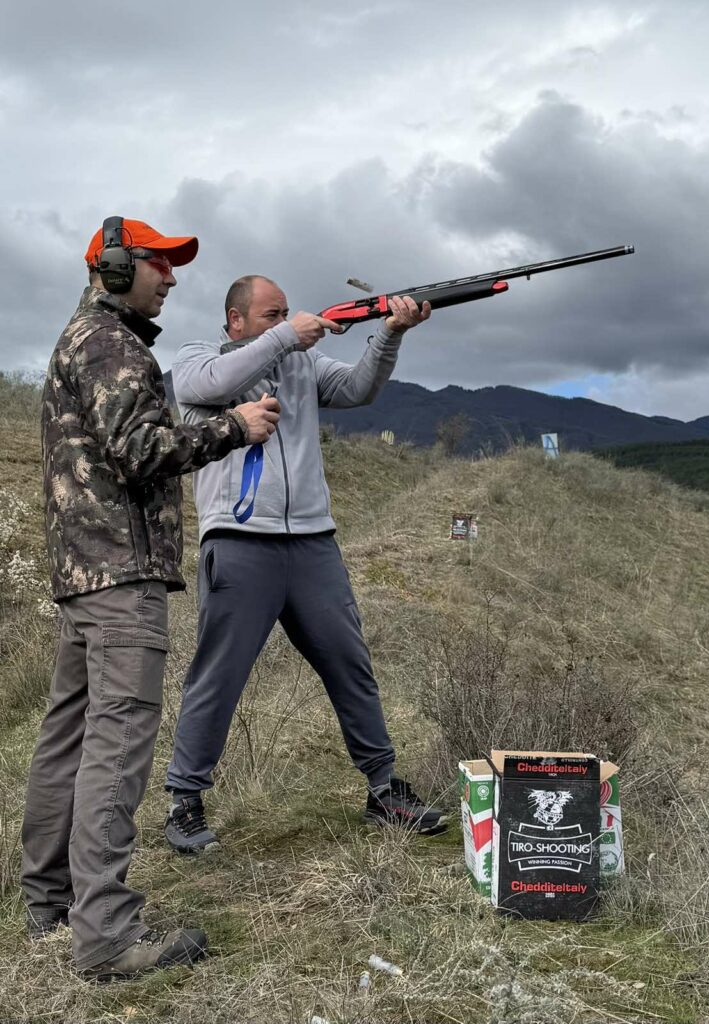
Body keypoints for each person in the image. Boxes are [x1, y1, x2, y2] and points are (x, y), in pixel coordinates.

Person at [20, 218, 280, 982]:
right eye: (159, 263)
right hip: (121, 578)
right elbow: (140, 452)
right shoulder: (112, 343)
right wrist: (232, 426)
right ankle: (105, 937)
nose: (171, 277)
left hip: (85, 576)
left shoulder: (83, 338)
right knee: (117, 744)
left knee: (68, 739)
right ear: (115, 267)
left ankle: (50, 906)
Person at [163, 273, 447, 856]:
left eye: (286, 313)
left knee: (351, 666)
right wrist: (287, 336)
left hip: (314, 542)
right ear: (236, 320)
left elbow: (358, 388)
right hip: (240, 543)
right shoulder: (198, 357)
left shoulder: (301, 363)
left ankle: (383, 790)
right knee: (219, 676)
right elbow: (208, 382)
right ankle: (184, 801)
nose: (285, 322)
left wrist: (390, 333)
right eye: (271, 315)